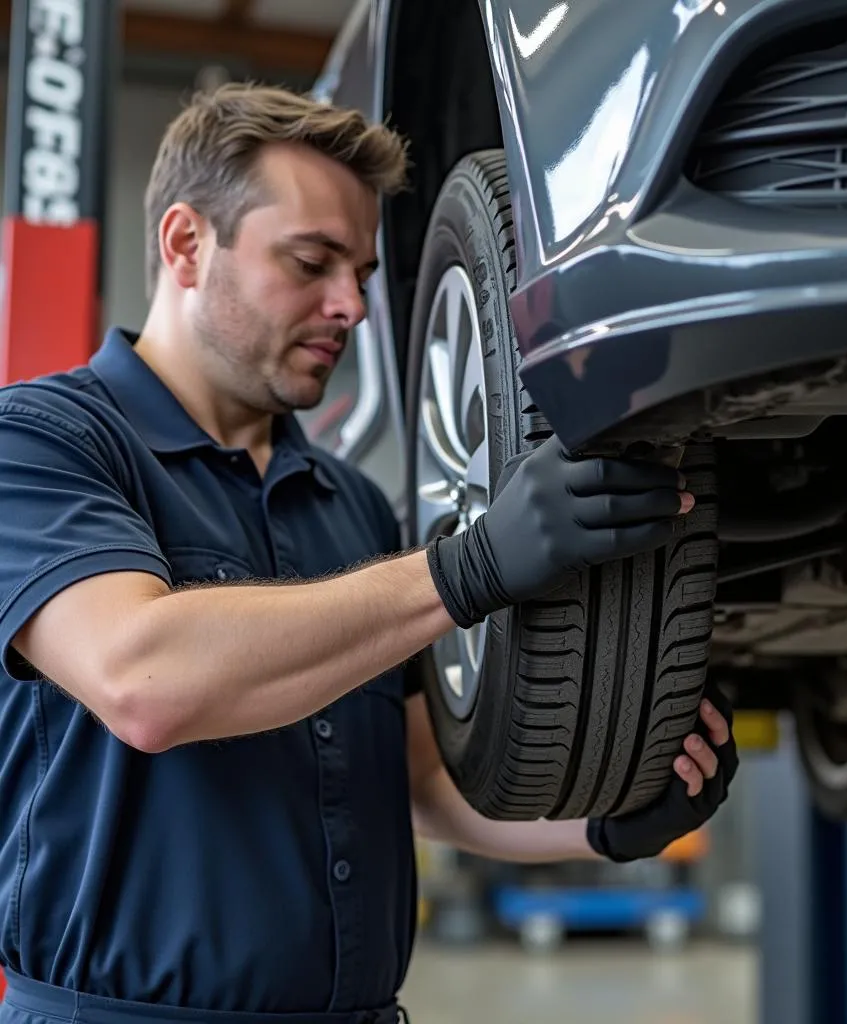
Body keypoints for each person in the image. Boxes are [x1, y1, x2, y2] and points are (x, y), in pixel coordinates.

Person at [0, 83, 738, 1024]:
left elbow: (422, 780)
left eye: (361, 270)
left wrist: (609, 823)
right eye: (311, 263)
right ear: (187, 245)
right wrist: (465, 569)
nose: (350, 305)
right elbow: (144, 680)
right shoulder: (41, 442)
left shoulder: (347, 504)